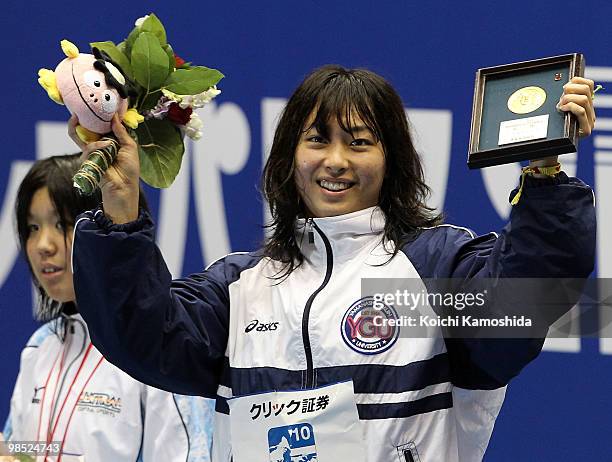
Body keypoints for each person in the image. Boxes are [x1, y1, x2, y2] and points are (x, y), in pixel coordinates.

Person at [69, 66, 596, 461]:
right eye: (317, 139)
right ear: (287, 156)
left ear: (393, 162)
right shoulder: (240, 286)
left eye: (360, 143)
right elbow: (139, 333)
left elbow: (523, 304)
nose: (336, 161)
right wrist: (119, 210)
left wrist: (545, 172)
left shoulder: (433, 269)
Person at [2, 154, 215, 462]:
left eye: (61, 223)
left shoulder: (157, 345)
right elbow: (30, 449)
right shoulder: (39, 347)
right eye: (33, 227)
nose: (42, 245)